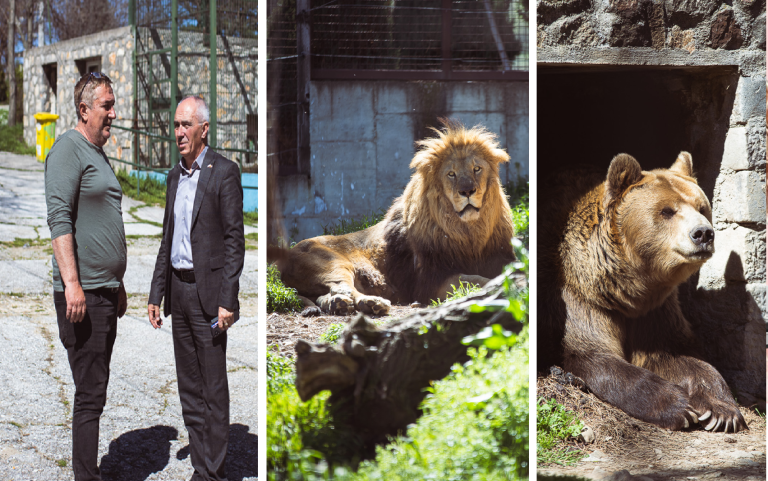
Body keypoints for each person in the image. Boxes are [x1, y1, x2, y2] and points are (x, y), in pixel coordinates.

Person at [148, 95, 245, 481]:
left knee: (212, 387)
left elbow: (235, 241)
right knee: (189, 386)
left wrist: (228, 300)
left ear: (204, 129)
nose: (178, 133)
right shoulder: (175, 176)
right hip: (179, 292)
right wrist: (157, 293)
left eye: (186, 125)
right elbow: (167, 238)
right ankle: (202, 465)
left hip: (209, 300)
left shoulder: (224, 172)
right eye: (175, 125)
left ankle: (212, 472)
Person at [45, 72, 127, 481]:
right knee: (90, 394)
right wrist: (73, 283)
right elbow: (59, 221)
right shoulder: (67, 150)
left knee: (95, 389)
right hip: (84, 294)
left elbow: (101, 221)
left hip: (104, 291)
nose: (113, 113)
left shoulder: (97, 152)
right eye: (106, 106)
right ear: (84, 110)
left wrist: (119, 282)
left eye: (113, 104)